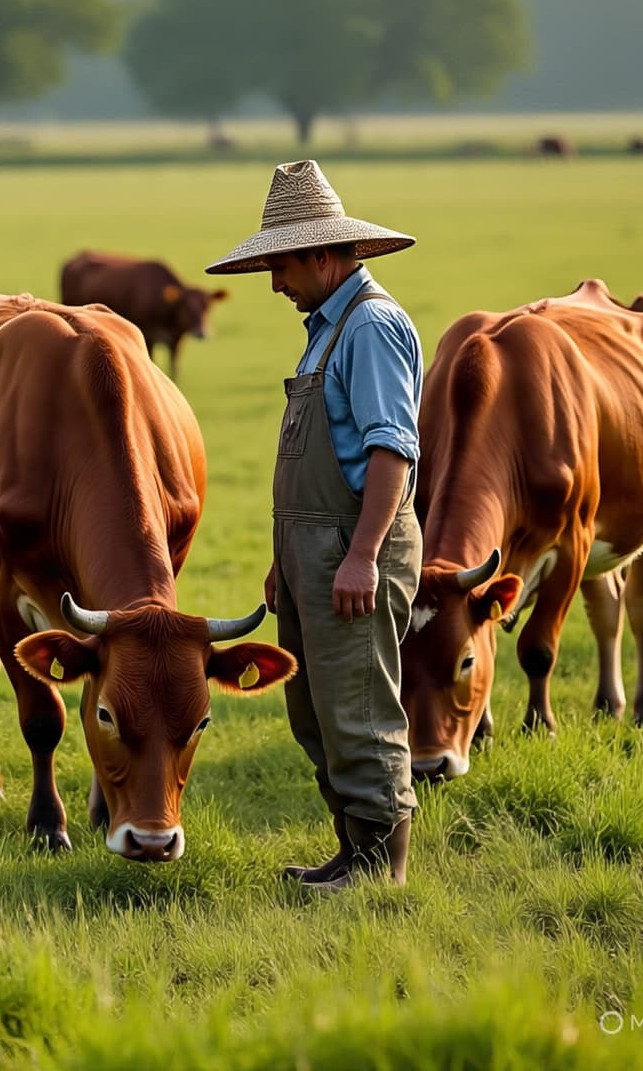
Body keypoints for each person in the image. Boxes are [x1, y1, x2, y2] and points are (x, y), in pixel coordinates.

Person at [206, 159, 422, 890]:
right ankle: (351, 850)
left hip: (351, 549)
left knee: (359, 707)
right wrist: (282, 560)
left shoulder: (372, 326)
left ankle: (379, 872)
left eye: (282, 266)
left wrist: (363, 554)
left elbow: (392, 449)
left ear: (324, 254)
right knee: (318, 712)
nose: (274, 283)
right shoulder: (327, 326)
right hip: (312, 553)